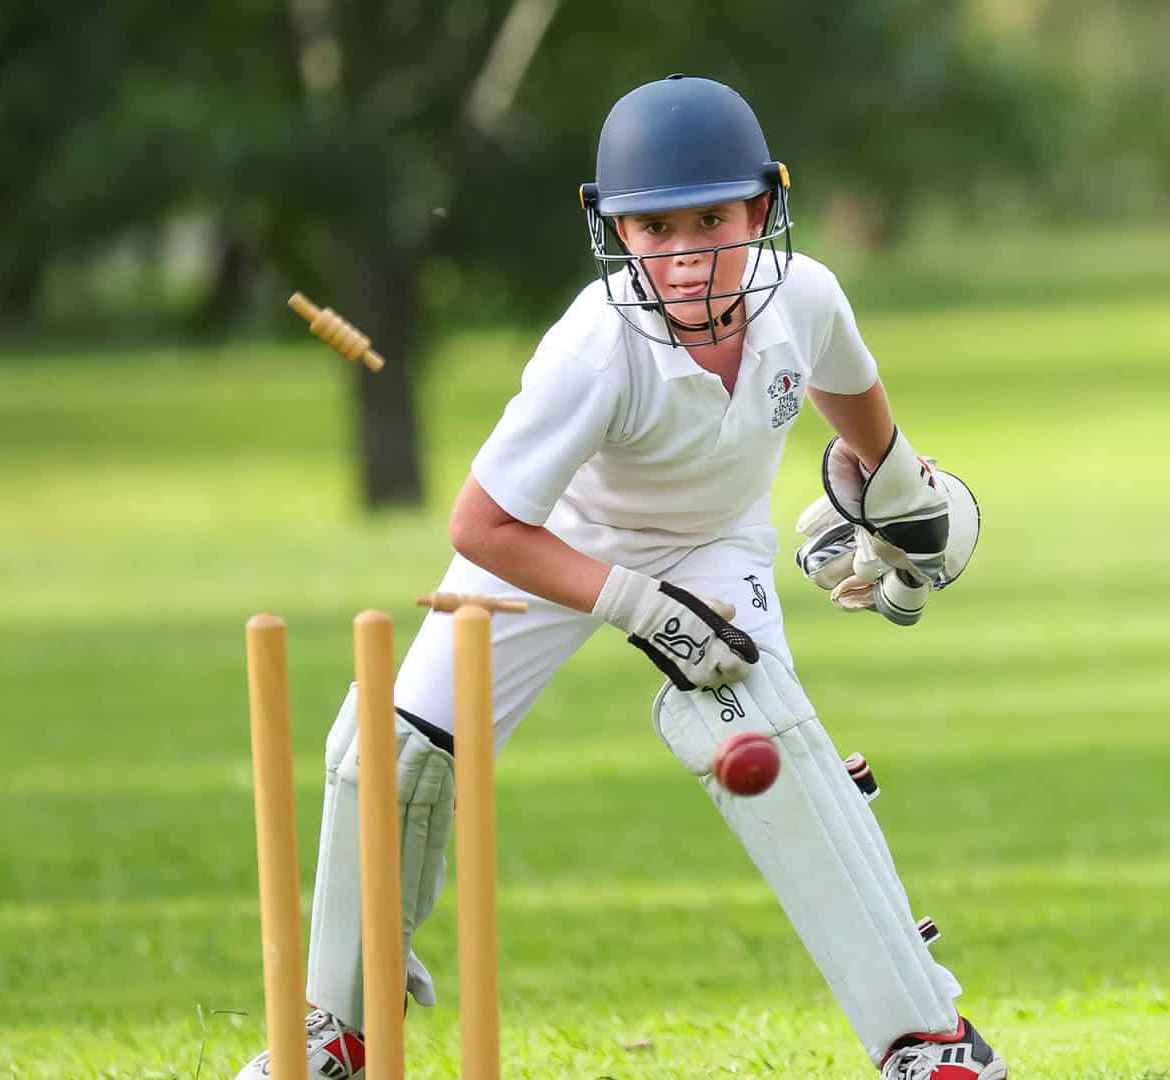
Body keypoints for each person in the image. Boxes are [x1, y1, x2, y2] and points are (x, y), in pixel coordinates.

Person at [236, 74, 999, 1080]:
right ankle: (336, 1033)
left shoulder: (804, 296)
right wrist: (638, 607)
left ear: (763, 209)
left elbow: (864, 418)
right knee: (391, 748)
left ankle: (928, 1042)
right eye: (654, 228)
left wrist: (900, 513)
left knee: (768, 744)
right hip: (551, 545)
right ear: (613, 230)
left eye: (713, 220)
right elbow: (484, 523)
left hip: (713, 545)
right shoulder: (597, 347)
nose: (685, 254)